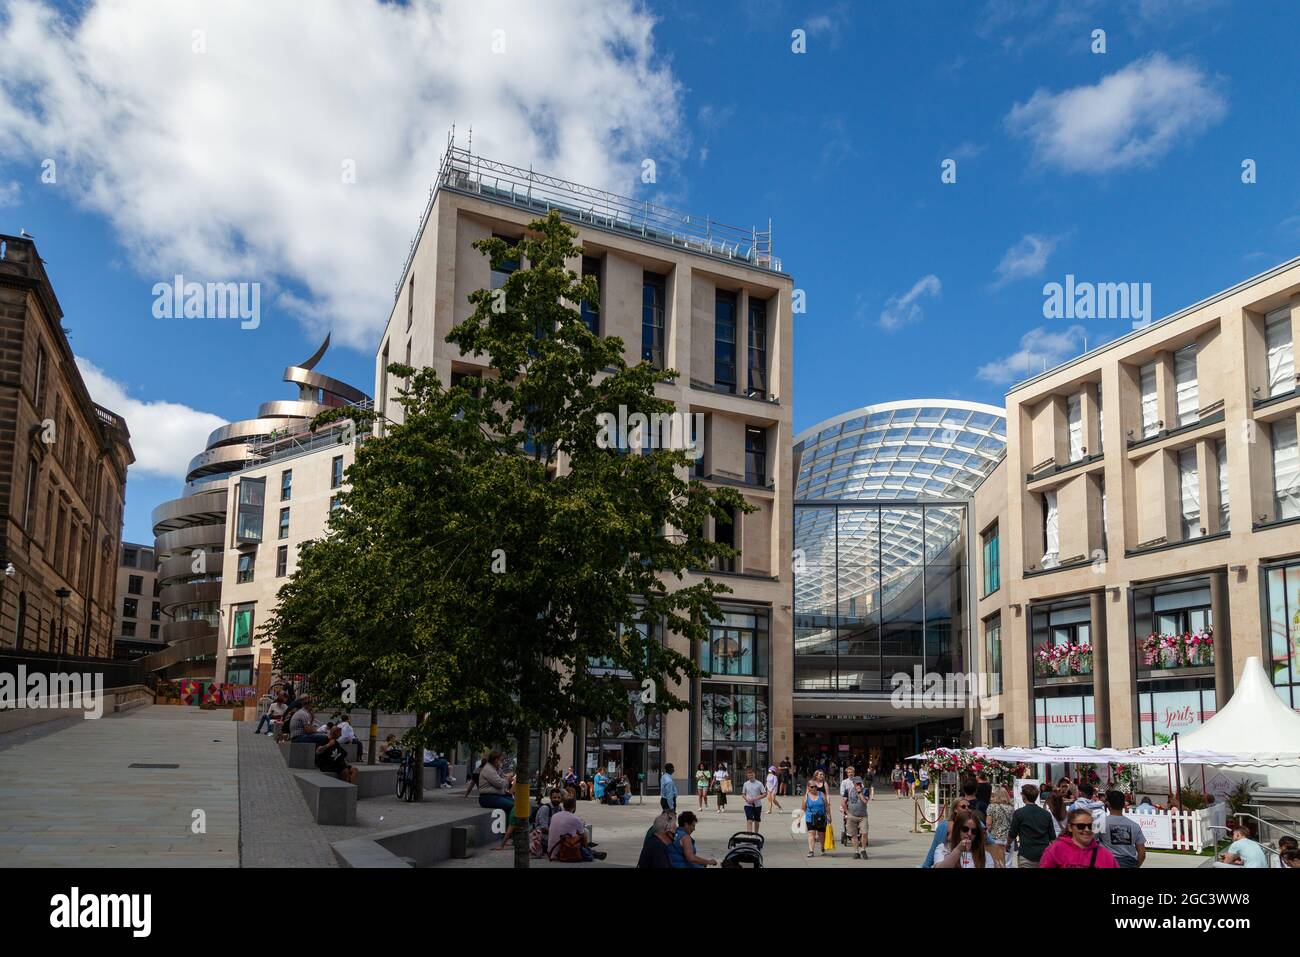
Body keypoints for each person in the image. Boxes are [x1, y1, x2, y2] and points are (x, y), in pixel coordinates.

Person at [1040, 809, 1119, 868]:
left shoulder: (1105, 855)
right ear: (1070, 828)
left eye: (1090, 826)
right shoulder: (1055, 850)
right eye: (1081, 826)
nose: (1087, 830)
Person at [476, 752, 519, 850]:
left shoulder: (496, 769)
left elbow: (502, 778)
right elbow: (500, 783)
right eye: (501, 760)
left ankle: (509, 834)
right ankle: (508, 835)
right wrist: (508, 779)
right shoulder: (488, 770)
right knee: (512, 806)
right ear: (495, 760)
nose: (502, 762)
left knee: (514, 804)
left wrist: (506, 778)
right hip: (487, 798)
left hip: (497, 795)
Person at [1007, 784, 1055, 868]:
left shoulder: (1019, 813)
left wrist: (1008, 844)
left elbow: (1012, 834)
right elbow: (1052, 837)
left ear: (1024, 796)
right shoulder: (1046, 814)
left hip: (1026, 854)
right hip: (1044, 854)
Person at [922, 796, 977, 868]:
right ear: (955, 810)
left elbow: (989, 840)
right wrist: (925, 866)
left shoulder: (976, 823)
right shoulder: (944, 826)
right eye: (963, 806)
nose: (967, 808)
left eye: (969, 806)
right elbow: (934, 848)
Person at [547, 796, 605, 862]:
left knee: (576, 836)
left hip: (551, 851)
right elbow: (583, 837)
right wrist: (586, 847)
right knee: (582, 839)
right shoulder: (575, 819)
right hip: (565, 851)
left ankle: (593, 852)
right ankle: (591, 852)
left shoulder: (555, 816)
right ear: (574, 806)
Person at [1098, 789, 1146, 869]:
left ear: (1108, 804)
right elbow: (1142, 853)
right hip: (1129, 863)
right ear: (1124, 805)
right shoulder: (1135, 826)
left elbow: (1089, 843)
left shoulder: (1099, 823)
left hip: (1106, 862)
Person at [842, 776, 870, 860]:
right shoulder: (848, 790)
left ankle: (863, 850)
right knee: (853, 835)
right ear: (853, 783)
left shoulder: (865, 790)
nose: (858, 784)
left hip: (863, 816)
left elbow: (865, 802)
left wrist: (860, 792)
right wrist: (847, 813)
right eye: (856, 783)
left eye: (859, 783)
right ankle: (856, 851)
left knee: (864, 833)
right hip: (852, 816)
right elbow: (843, 802)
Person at [801, 778, 830, 859]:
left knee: (821, 835)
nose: (814, 788)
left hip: (821, 818)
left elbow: (827, 806)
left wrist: (829, 816)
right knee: (811, 834)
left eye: (815, 787)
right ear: (808, 788)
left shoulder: (821, 794)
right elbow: (803, 808)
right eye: (812, 787)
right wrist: (799, 820)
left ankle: (822, 847)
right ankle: (811, 851)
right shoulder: (806, 797)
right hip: (810, 818)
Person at [985, 787, 1013, 867]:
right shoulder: (1011, 807)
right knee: (1007, 864)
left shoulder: (992, 807)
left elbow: (988, 824)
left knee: (997, 863)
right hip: (1008, 839)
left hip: (995, 838)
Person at [741, 766, 767, 834]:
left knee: (756, 821)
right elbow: (743, 794)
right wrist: (747, 799)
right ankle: (749, 836)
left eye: (752, 774)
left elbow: (764, 794)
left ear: (754, 774)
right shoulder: (745, 784)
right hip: (748, 805)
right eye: (749, 774)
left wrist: (756, 798)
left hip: (757, 805)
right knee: (749, 820)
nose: (750, 776)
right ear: (747, 775)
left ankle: (756, 834)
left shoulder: (759, 783)